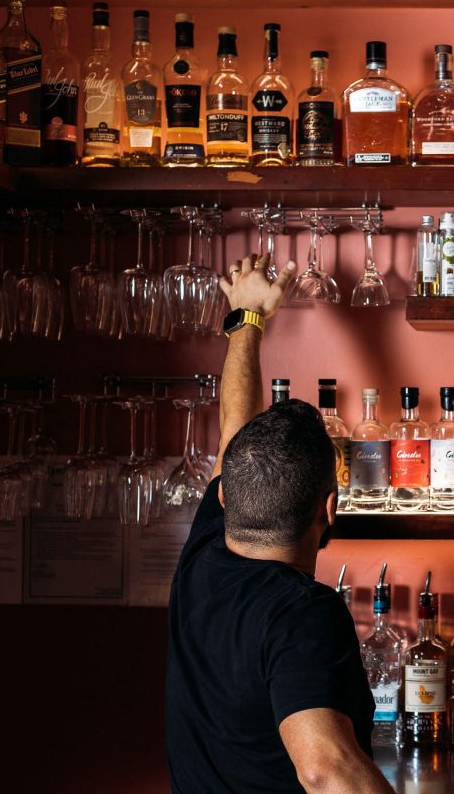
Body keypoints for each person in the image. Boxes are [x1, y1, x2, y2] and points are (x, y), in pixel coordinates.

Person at [165, 253, 395, 794]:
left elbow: (233, 433)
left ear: (227, 493)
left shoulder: (202, 559)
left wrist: (248, 319)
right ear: (329, 508)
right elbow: (325, 770)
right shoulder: (303, 613)